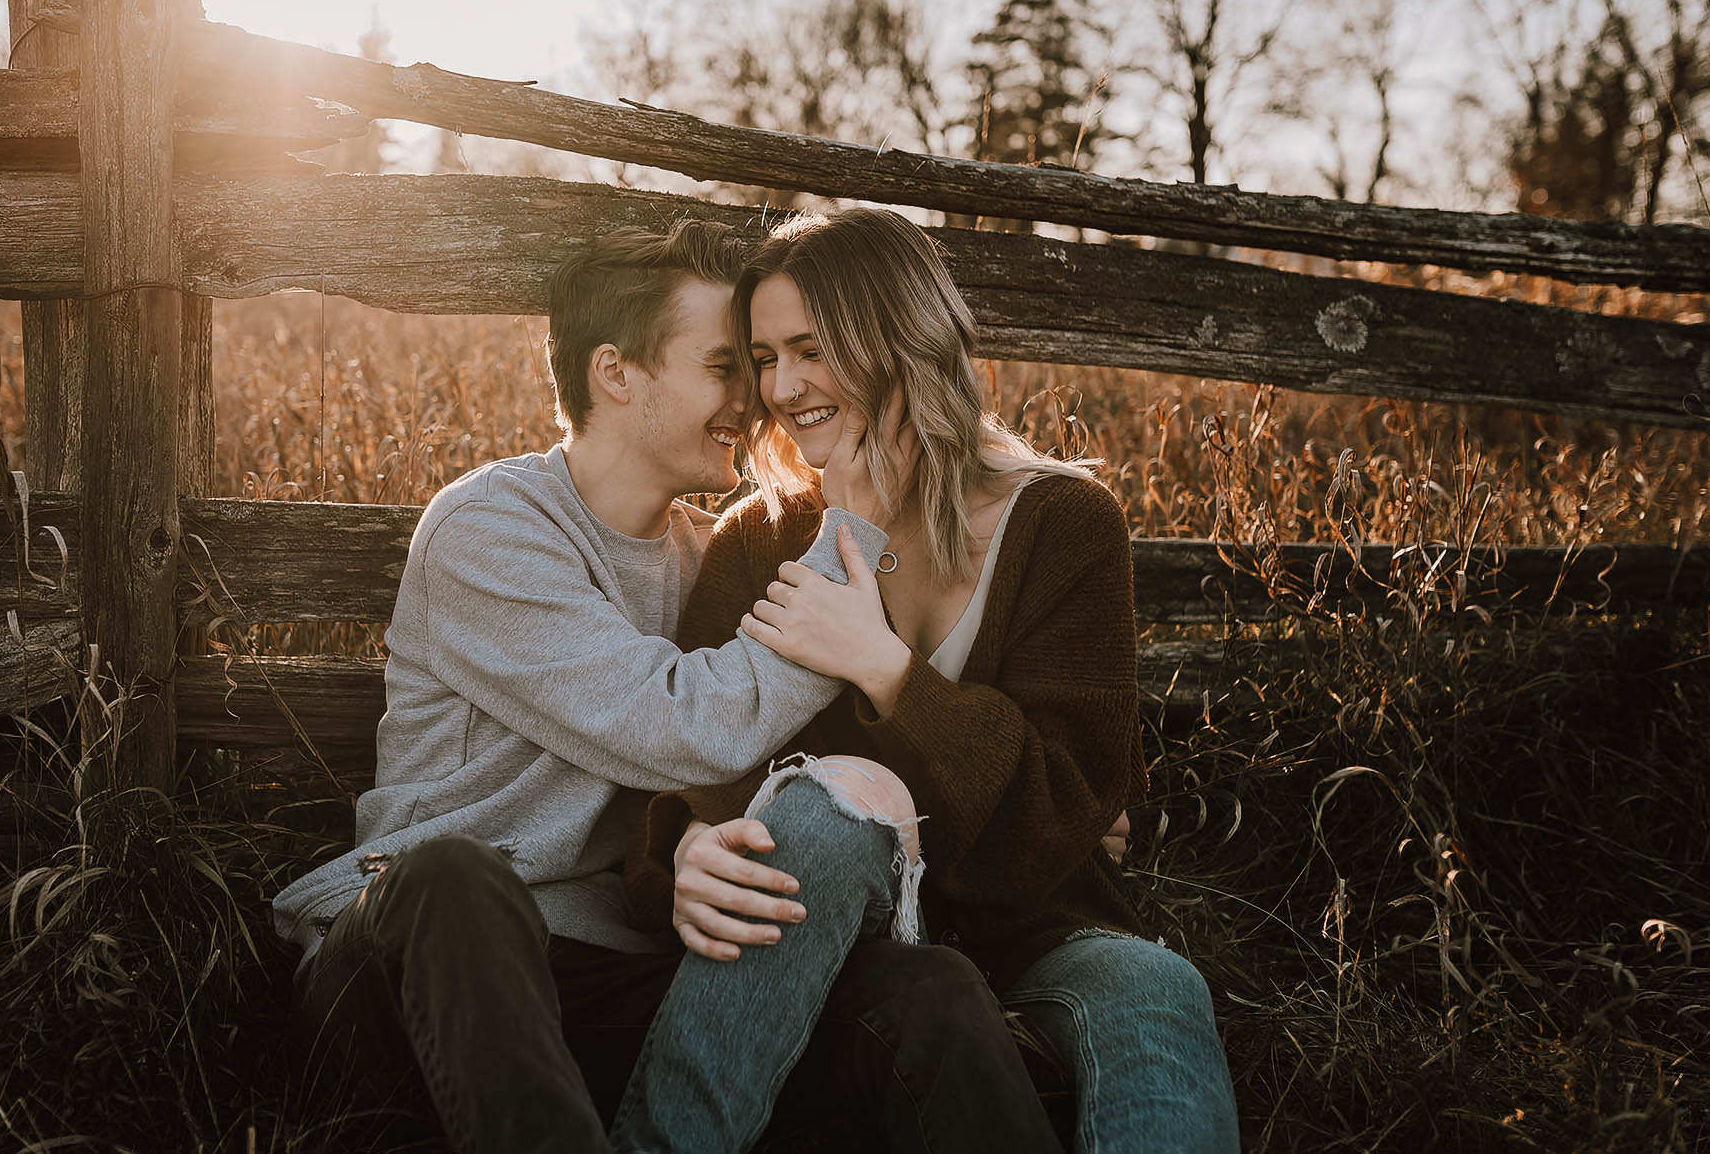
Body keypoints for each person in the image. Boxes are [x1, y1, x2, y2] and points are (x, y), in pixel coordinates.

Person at [271, 218, 1060, 1153]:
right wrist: (853, 532)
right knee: (455, 873)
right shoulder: (490, 528)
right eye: (727, 367)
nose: (759, 401)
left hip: (611, 976)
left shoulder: (705, 559)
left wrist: (1045, 775)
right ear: (617, 372)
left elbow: (795, 756)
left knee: (921, 992)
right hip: (419, 965)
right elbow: (681, 723)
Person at [617, 208, 1241, 1153]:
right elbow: (696, 763)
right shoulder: (764, 536)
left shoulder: (1065, 523)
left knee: (1159, 986)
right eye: (764, 357)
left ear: (895, 336)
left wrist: (886, 669)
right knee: (834, 811)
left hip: (1041, 929)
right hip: (842, 946)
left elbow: (1067, 807)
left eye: (810, 348)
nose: (782, 388)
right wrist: (685, 844)